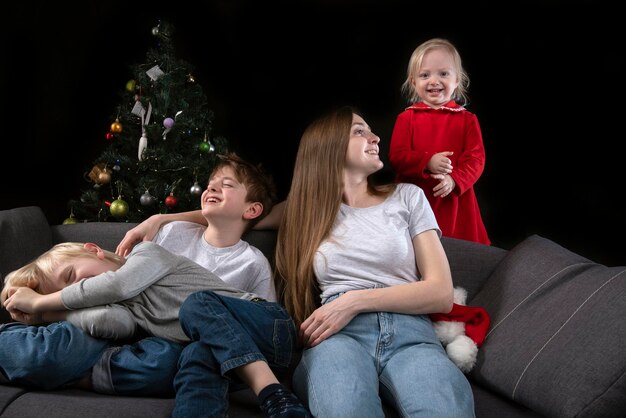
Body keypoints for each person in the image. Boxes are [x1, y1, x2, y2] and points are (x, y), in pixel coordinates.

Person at [1, 152, 310, 418]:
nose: (212, 187)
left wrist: (39, 305)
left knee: (198, 304)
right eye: (211, 183)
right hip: (216, 349)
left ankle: (273, 394)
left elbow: (118, 285)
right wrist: (48, 314)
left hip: (269, 326)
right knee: (195, 356)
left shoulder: (148, 255)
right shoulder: (129, 304)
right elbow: (110, 319)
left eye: (226, 185)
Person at [273, 106, 475, 417]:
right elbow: (237, 216)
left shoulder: (408, 197)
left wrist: (353, 301)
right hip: (340, 338)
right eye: (359, 131)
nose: (375, 137)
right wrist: (169, 219)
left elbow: (441, 293)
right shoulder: (306, 210)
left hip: (412, 337)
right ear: (328, 146)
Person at [389, 38, 490, 245]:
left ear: (457, 80)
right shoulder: (406, 118)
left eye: (443, 74)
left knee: (461, 254)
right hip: (416, 198)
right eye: (425, 75)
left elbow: (476, 160)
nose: (434, 81)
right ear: (413, 82)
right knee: (413, 251)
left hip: (453, 200)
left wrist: (455, 180)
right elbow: (397, 157)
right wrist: (426, 162)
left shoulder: (467, 119)